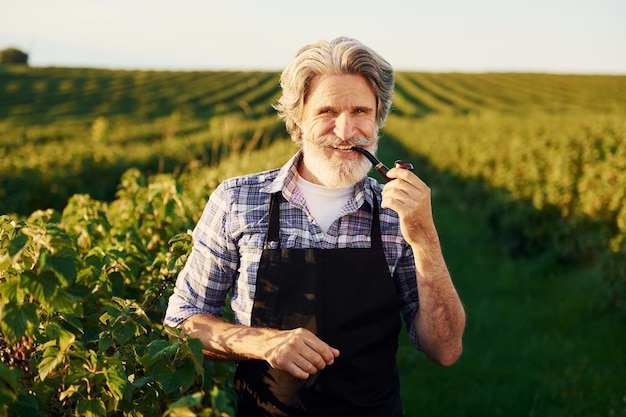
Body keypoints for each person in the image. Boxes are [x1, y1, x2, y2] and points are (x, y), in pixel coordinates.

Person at [164, 36, 466, 417]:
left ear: (378, 118)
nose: (345, 130)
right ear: (298, 121)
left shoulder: (395, 214)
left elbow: (446, 349)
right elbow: (183, 322)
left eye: (360, 111)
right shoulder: (238, 201)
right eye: (327, 112)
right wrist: (262, 344)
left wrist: (424, 235)